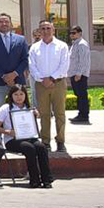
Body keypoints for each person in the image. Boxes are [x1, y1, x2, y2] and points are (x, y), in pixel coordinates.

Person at [0, 84, 53, 188]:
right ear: (11, 96)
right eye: (16, 94)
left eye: (21, 94)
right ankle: (34, 179)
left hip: (29, 137)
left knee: (41, 147)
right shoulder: (6, 108)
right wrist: (7, 131)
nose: (19, 97)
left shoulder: (29, 109)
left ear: (25, 95)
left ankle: (46, 179)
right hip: (12, 140)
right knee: (29, 148)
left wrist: (34, 116)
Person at [29, 20, 70, 153]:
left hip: (58, 83)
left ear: (53, 30)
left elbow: (64, 65)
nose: (46, 31)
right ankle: (45, 142)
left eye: (48, 28)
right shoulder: (34, 48)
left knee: (60, 114)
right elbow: (32, 66)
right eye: (43, 28)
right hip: (41, 84)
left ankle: (60, 141)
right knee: (44, 114)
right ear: (39, 31)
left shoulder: (62, 46)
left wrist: (52, 78)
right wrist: (42, 79)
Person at [0, 13, 29, 109]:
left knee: (19, 109)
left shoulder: (21, 39)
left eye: (6, 21)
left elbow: (25, 59)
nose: (4, 24)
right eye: (1, 22)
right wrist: (4, 76)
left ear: (11, 24)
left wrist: (14, 74)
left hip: (17, 80)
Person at [68, 26, 91, 125]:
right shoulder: (75, 44)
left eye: (74, 33)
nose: (72, 35)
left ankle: (84, 115)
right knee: (79, 95)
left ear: (80, 33)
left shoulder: (82, 44)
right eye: (71, 33)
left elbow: (83, 60)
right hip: (74, 73)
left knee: (82, 95)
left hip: (79, 74)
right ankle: (80, 114)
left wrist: (79, 73)